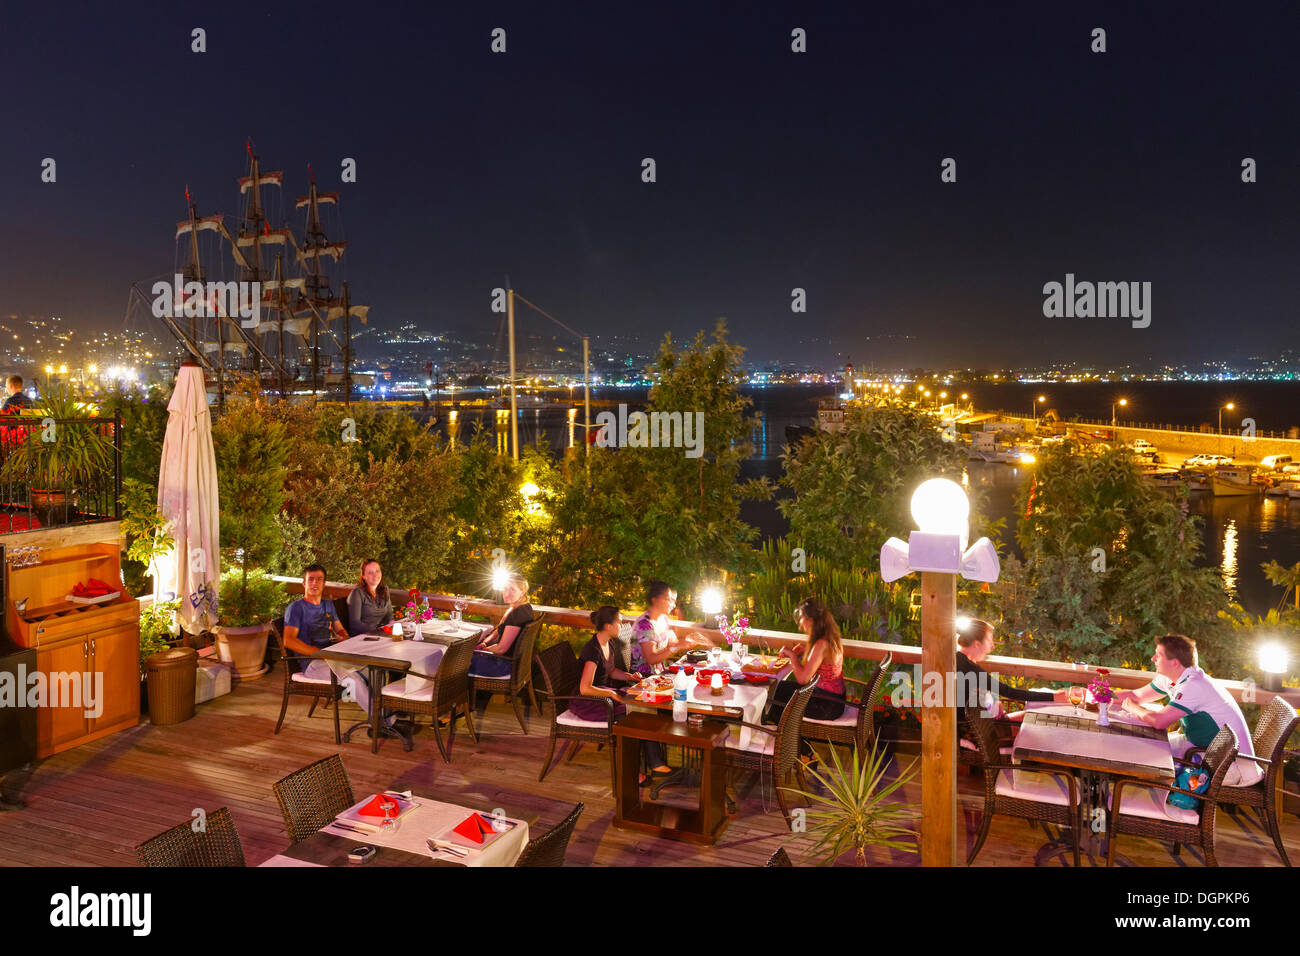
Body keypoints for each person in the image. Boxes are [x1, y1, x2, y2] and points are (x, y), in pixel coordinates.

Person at [1112, 633, 1261, 787]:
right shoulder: (1172, 677)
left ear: (1175, 663)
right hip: (1203, 750)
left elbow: (1159, 722)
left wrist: (1133, 708)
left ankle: (1132, 801)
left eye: (1159, 655)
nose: (1153, 659)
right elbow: (1135, 695)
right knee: (1144, 746)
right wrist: (1096, 694)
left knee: (1148, 757)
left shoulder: (1194, 685)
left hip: (1231, 766)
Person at [570, 605, 670, 781]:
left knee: (642, 704)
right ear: (608, 626)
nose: (622, 625)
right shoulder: (592, 650)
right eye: (619, 622)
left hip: (602, 693)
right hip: (588, 701)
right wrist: (611, 695)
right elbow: (584, 688)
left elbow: (610, 671)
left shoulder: (609, 643)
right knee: (634, 714)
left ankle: (654, 761)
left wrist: (629, 676)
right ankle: (634, 770)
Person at [283, 564, 383, 723]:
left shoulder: (328, 605)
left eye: (319, 580)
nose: (315, 583)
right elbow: (288, 640)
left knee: (375, 671)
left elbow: (341, 631)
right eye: (311, 580)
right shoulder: (296, 608)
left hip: (333, 658)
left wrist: (342, 636)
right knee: (353, 680)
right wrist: (318, 653)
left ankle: (388, 716)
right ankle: (381, 723)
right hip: (312, 663)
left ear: (324, 583)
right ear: (304, 583)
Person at [767, 598, 849, 741]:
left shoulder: (821, 643)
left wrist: (792, 655)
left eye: (801, 618)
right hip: (836, 701)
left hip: (826, 705)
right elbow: (824, 661)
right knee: (781, 689)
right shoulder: (831, 637)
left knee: (777, 698)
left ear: (811, 620)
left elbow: (803, 679)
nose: (800, 624)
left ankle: (791, 745)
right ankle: (786, 740)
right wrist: (807, 650)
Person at [957, 618, 1071, 711]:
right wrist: (1053, 697)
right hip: (972, 729)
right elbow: (1009, 692)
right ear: (977, 644)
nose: (993, 646)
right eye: (989, 641)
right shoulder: (971, 669)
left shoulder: (957, 659)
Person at [626, 580, 709, 676]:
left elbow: (673, 643)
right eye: (668, 599)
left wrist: (690, 640)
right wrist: (676, 646)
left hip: (660, 674)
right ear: (655, 600)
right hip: (643, 678)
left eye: (672, 600)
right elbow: (651, 659)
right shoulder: (644, 624)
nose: (672, 604)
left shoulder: (663, 618)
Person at [470, 573, 533, 678]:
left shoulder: (518, 613)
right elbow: (498, 631)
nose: (506, 593)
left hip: (504, 666)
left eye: (512, 589)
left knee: (457, 663)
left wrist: (481, 650)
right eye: (505, 588)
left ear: (522, 592)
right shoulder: (521, 607)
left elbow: (501, 649)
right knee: (461, 659)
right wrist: (485, 643)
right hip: (507, 661)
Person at [346, 558, 393, 636]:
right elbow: (355, 624)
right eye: (370, 573)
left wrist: (395, 625)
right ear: (363, 576)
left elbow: (389, 617)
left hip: (379, 635)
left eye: (377, 571)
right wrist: (378, 631)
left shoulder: (384, 589)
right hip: (361, 638)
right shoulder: (357, 593)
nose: (375, 575)